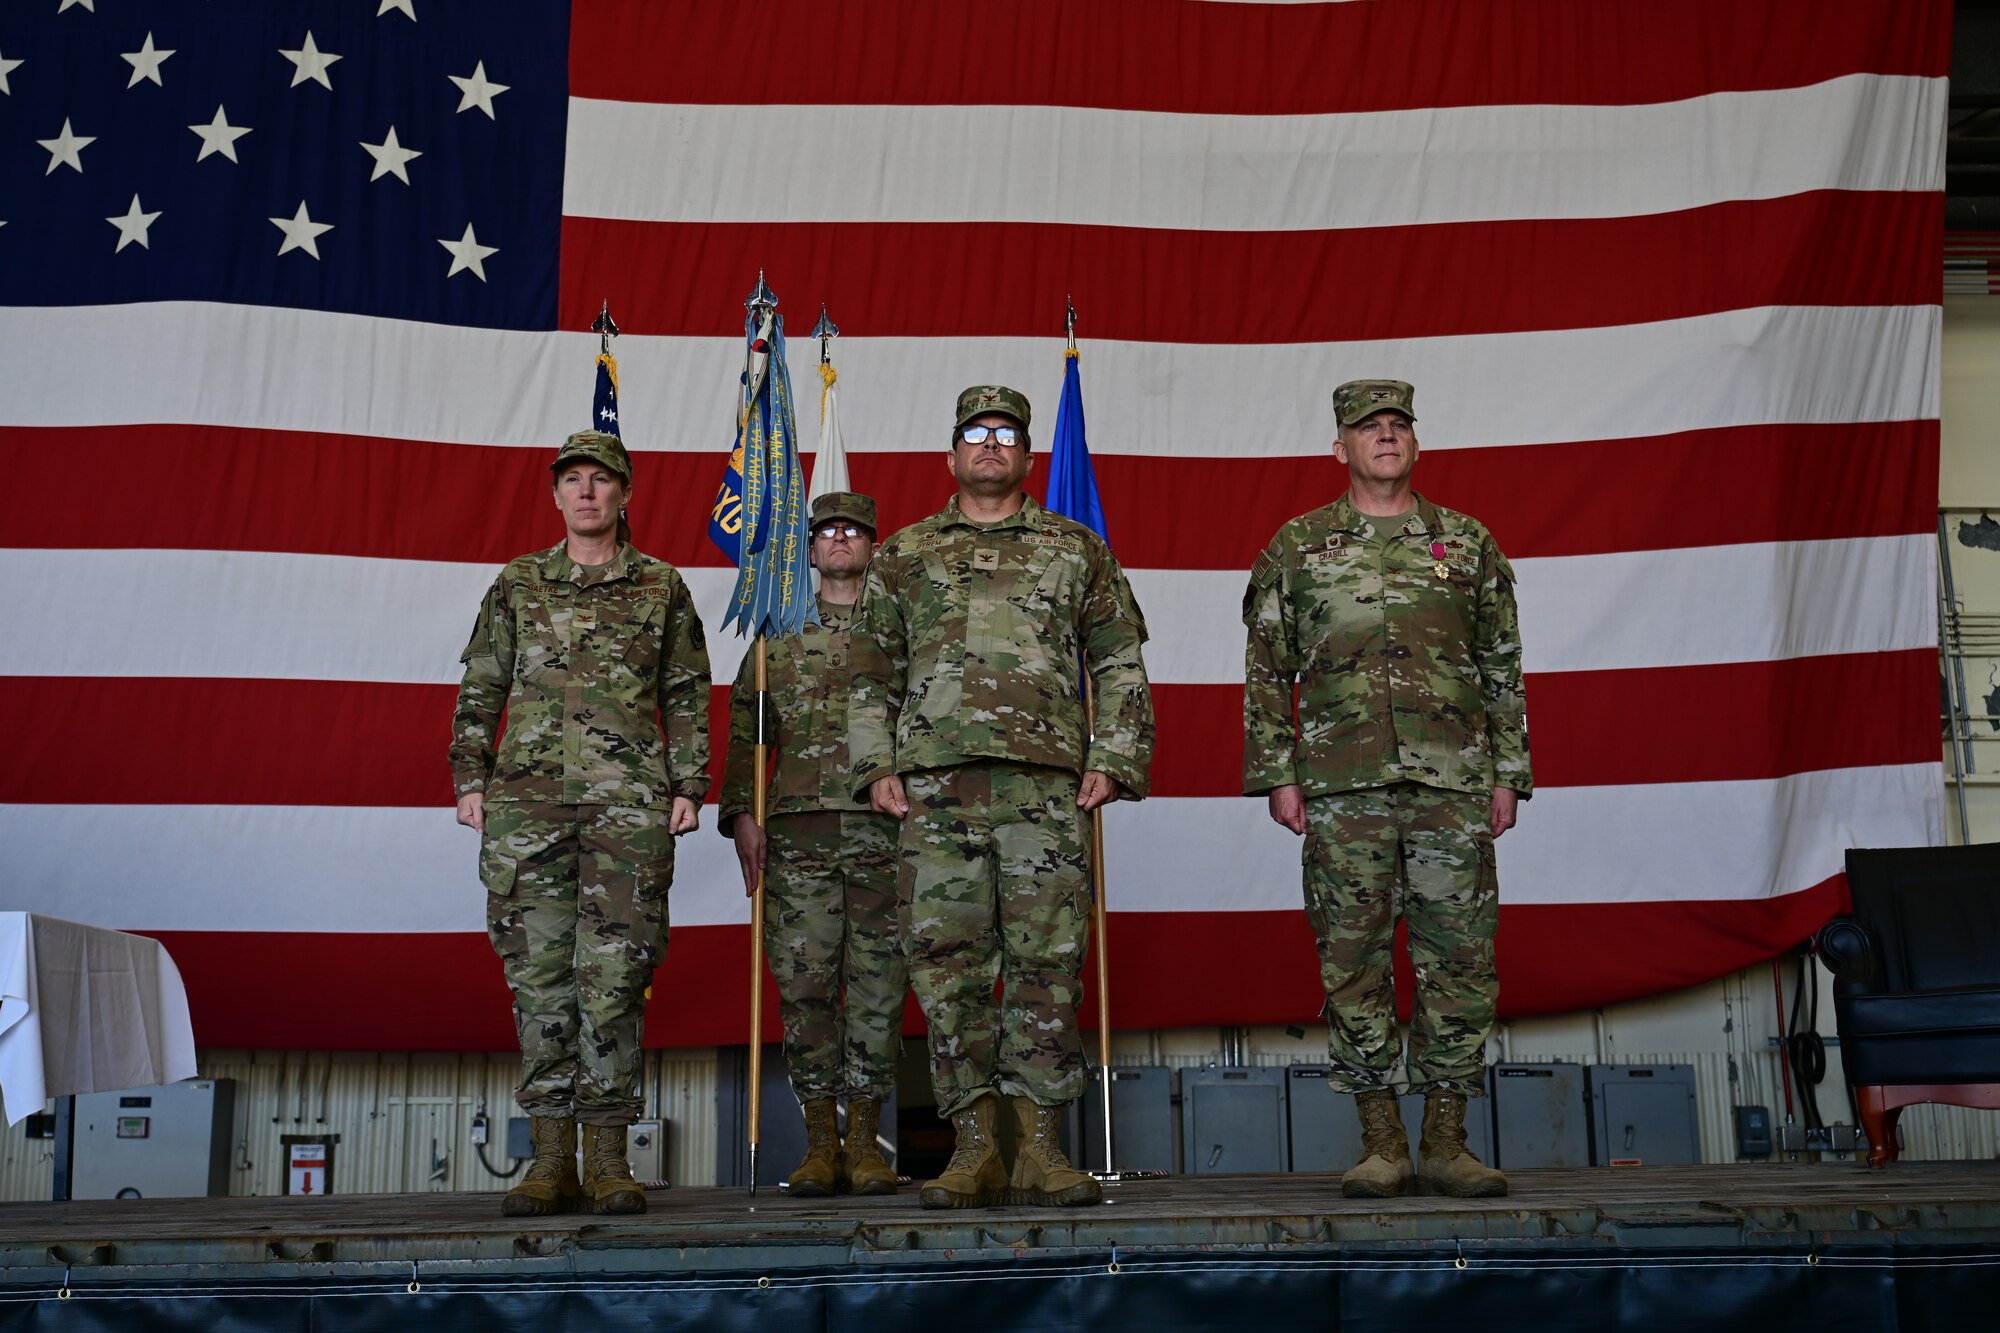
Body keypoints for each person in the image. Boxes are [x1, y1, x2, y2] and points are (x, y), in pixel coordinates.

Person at [849, 385, 1154, 1210]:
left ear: (1026, 456)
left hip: (1044, 785)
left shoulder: (1074, 547)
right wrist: (876, 762)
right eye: (975, 434)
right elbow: (868, 671)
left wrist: (1116, 754)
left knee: (1046, 965)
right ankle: (974, 1146)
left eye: (1005, 435)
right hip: (936, 791)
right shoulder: (906, 554)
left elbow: (1120, 656)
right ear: (952, 455)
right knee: (947, 968)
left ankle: (1041, 1150)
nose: (990, 446)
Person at [1242, 380, 1531, 1199]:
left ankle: (1445, 1139)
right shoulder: (1297, 547)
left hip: (1451, 781)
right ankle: (1381, 1140)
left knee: (1461, 963)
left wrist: (1508, 773)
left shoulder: (1466, 542)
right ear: (1340, 448)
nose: (1386, 436)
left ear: (1415, 442)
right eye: (1369, 427)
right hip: (1341, 787)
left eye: (1399, 424)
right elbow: (1267, 670)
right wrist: (1278, 771)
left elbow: (1503, 666)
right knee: (1353, 961)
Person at [450, 429, 710, 1217]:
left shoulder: (661, 586)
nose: (588, 492)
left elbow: (688, 692)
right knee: (540, 982)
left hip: (627, 811)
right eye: (574, 481)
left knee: (615, 979)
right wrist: (470, 778)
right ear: (556, 495)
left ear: (625, 494)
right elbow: (479, 689)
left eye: (602, 480)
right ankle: (549, 1161)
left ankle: (606, 1159)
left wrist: (691, 783)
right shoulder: (518, 583)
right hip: (526, 811)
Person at [718, 491, 907, 1197]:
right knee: (804, 990)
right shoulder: (777, 634)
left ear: (872, 545)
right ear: (809, 546)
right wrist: (741, 812)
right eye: (826, 530)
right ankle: (821, 1141)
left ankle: (864, 1140)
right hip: (796, 832)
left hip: (884, 831)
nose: (838, 540)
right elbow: (747, 728)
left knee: (879, 990)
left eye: (853, 530)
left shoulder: (900, 628)